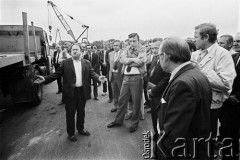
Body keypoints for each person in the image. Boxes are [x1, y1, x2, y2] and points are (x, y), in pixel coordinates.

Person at [34, 43, 106, 142]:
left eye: (76, 49)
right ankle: (71, 134)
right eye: (73, 50)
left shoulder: (87, 62)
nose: (74, 51)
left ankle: (80, 129)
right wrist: (45, 79)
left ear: (81, 51)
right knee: (70, 114)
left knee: (81, 112)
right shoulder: (65, 63)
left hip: (82, 92)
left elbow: (91, 73)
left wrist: (98, 77)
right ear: (70, 52)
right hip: (70, 92)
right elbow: (56, 74)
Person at [156, 37, 212, 159]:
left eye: (158, 55)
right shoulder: (196, 73)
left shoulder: (182, 83)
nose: (159, 59)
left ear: (166, 56)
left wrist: (161, 154)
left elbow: (173, 133)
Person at [191, 23, 236, 153]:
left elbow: (226, 83)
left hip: (210, 107)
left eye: (196, 36)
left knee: (206, 144)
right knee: (194, 142)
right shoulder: (195, 54)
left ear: (205, 37)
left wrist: (200, 71)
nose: (193, 40)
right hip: (194, 104)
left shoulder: (223, 54)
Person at [107, 33, 147, 133]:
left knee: (136, 102)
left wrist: (127, 61)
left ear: (138, 40)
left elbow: (141, 62)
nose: (132, 43)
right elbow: (122, 60)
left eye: (134, 41)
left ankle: (134, 124)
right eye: (130, 41)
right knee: (121, 100)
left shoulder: (142, 48)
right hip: (126, 78)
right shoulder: (126, 48)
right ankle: (118, 121)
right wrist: (133, 60)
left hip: (137, 78)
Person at [221, 33, 240, 160]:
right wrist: (228, 95)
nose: (236, 43)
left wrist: (237, 96)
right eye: (236, 41)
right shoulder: (233, 57)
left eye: (239, 41)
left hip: (238, 101)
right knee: (228, 133)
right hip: (229, 104)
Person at [108, 40, 123, 112]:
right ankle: (115, 105)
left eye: (117, 45)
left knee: (122, 91)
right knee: (114, 91)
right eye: (114, 45)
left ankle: (121, 107)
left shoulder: (124, 53)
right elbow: (110, 65)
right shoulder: (110, 53)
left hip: (120, 75)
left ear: (120, 46)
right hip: (113, 75)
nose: (115, 46)